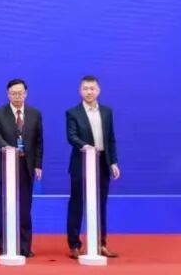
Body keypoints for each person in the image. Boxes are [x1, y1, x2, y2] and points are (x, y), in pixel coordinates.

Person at [66, 75, 120, 259]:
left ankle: (101, 243)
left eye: (92, 88)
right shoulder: (73, 113)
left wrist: (113, 162)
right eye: (85, 89)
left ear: (99, 90)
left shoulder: (107, 112)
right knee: (77, 204)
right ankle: (74, 245)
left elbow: (110, 139)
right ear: (80, 91)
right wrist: (86, 146)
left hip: (102, 162)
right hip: (81, 162)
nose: (89, 92)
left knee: (100, 204)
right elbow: (71, 136)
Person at [0, 79, 43, 258]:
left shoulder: (35, 114)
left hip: (26, 166)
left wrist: (38, 165)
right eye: (13, 93)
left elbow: (38, 142)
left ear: (26, 94)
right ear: (8, 94)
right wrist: (6, 147)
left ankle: (25, 246)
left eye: (20, 93)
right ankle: (3, 245)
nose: (17, 96)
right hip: (4, 166)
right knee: (3, 208)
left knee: (25, 209)